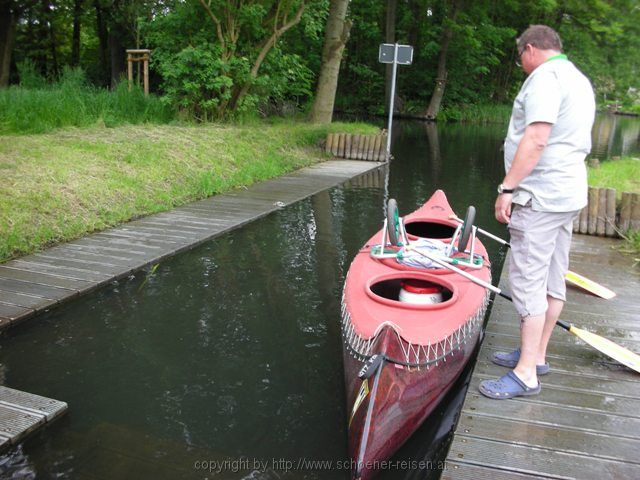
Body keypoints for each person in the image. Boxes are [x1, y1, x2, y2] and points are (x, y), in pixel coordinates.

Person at [479, 25, 595, 399]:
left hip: (540, 197)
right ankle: (537, 354)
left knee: (527, 280)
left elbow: (538, 137)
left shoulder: (545, 78)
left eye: (520, 58)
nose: (521, 65)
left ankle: (526, 373)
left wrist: (507, 188)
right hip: (568, 194)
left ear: (530, 49)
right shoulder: (578, 78)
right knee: (553, 275)